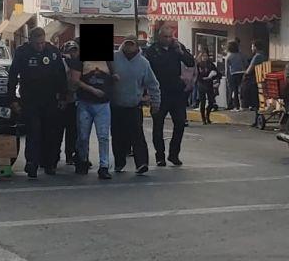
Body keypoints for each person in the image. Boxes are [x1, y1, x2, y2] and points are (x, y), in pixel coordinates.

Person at [7, 27, 68, 179]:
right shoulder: (22, 52)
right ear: (31, 41)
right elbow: (13, 76)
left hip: (50, 99)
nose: (40, 46)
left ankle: (49, 164)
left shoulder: (53, 52)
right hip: (30, 99)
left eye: (42, 43)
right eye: (37, 43)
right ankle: (32, 164)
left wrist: (63, 97)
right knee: (33, 132)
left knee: (50, 133)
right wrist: (12, 99)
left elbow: (61, 75)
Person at [144, 25, 194, 166]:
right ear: (159, 37)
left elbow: (190, 62)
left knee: (180, 123)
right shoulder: (152, 50)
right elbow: (146, 71)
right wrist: (146, 94)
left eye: (170, 36)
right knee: (158, 125)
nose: (168, 39)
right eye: (165, 37)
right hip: (159, 92)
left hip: (176, 92)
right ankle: (160, 156)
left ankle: (174, 154)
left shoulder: (177, 47)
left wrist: (180, 52)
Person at [111, 35, 160, 174]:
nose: (129, 46)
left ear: (137, 46)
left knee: (137, 135)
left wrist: (155, 103)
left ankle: (142, 163)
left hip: (134, 105)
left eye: (132, 44)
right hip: (116, 105)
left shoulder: (143, 63)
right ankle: (119, 162)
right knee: (117, 136)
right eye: (127, 43)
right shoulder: (113, 58)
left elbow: (153, 84)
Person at [68, 55, 114, 180]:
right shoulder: (79, 60)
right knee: (83, 136)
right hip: (85, 102)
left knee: (103, 136)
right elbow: (75, 80)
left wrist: (114, 79)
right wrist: (92, 90)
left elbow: (115, 74)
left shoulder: (108, 60)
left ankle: (104, 166)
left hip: (103, 103)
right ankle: (82, 159)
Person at [60, 40, 80, 166]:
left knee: (73, 130)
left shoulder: (79, 63)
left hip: (75, 101)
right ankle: (53, 155)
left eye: (74, 50)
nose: (72, 53)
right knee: (57, 130)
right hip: (62, 100)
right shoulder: (60, 63)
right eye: (69, 51)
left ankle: (70, 155)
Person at [195, 51, 220, 124]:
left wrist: (213, 77)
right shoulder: (198, 65)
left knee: (211, 102)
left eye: (206, 56)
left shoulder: (211, 64)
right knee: (202, 102)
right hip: (201, 84)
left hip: (209, 84)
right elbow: (196, 75)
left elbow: (217, 73)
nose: (205, 57)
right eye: (203, 56)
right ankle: (203, 119)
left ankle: (207, 115)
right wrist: (202, 78)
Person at [224, 41, 246, 110]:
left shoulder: (228, 56)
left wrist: (227, 78)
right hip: (242, 73)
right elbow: (245, 63)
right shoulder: (241, 55)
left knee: (235, 90)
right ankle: (243, 105)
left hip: (233, 74)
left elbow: (227, 69)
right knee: (241, 90)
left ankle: (236, 106)